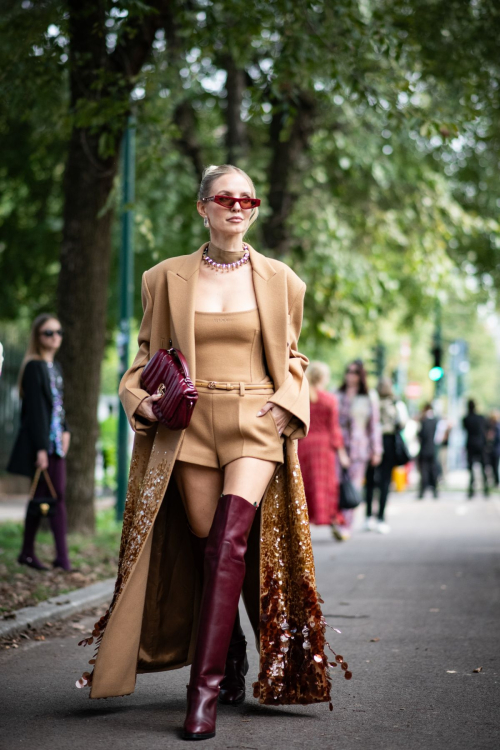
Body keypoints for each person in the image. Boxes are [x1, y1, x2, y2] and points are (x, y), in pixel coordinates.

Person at [78, 165, 331, 740]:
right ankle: (234, 648)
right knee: (204, 546)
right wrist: (136, 399)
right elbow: (146, 356)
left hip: (254, 421)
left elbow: (294, 358)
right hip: (188, 427)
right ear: (203, 207)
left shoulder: (281, 280)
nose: (237, 207)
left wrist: (288, 404)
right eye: (225, 198)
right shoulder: (164, 278)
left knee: (228, 543)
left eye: (248, 199)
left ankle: (204, 694)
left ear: (255, 209)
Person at [7, 314, 71, 570]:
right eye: (48, 333)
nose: (55, 337)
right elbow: (35, 412)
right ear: (38, 336)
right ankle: (62, 559)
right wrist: (42, 449)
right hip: (44, 446)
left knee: (41, 498)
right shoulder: (34, 367)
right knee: (56, 498)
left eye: (58, 332)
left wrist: (66, 431)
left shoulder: (55, 368)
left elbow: (57, 407)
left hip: (57, 442)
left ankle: (27, 553)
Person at [335, 359, 382, 541]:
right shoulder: (337, 394)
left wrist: (376, 450)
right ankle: (337, 519)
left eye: (355, 372)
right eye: (349, 371)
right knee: (336, 483)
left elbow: (374, 425)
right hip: (338, 445)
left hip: (359, 447)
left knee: (353, 486)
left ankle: (346, 525)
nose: (350, 375)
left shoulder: (369, 396)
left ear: (360, 375)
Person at [298, 361, 349, 526]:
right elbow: (334, 429)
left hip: (303, 445)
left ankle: (303, 521)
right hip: (323, 448)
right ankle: (329, 516)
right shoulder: (330, 399)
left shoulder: (301, 397)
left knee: (304, 483)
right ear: (323, 378)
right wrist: (342, 453)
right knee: (325, 484)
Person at [364, 378, 407, 534]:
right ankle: (379, 518)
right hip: (386, 442)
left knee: (373, 480)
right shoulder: (395, 403)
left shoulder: (372, 400)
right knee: (382, 481)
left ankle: (371, 516)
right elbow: (402, 423)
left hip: (378, 442)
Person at [463, 399, 488, 498]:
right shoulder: (481, 418)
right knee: (483, 467)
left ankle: (471, 490)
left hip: (471, 444)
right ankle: (485, 489)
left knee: (471, 468)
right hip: (480, 444)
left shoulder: (466, 418)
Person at [417, 403, 439, 498]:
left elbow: (420, 435)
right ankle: (435, 490)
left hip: (424, 449)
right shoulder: (436, 421)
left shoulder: (423, 421)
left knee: (424, 471)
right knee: (433, 470)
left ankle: (423, 491)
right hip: (433, 449)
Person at [485, 411, 500, 487]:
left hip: (495, 449)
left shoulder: (497, 427)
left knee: (495, 466)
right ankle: (491, 481)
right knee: (489, 466)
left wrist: (492, 437)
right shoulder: (489, 427)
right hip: (490, 449)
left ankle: (496, 482)